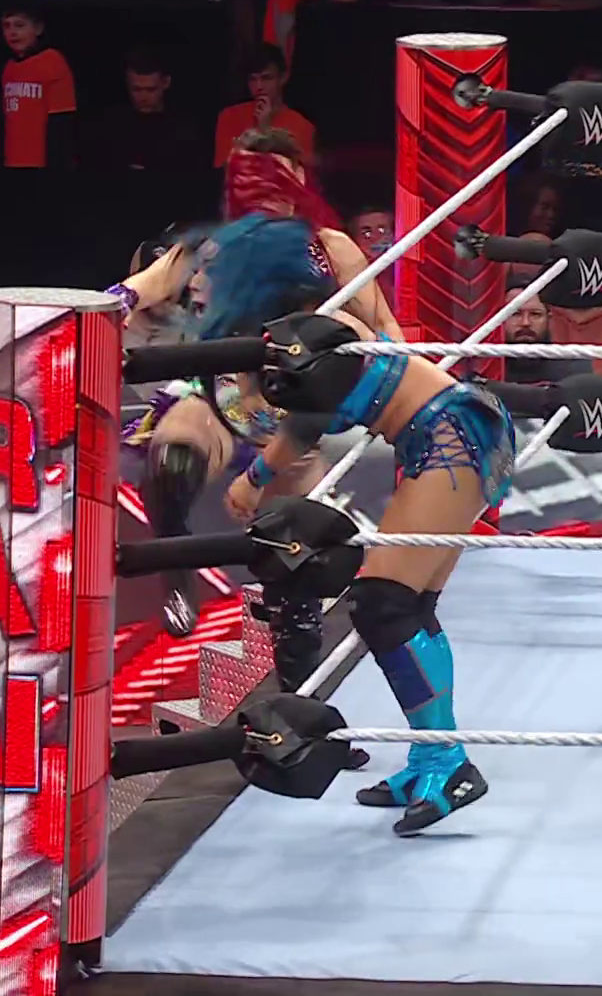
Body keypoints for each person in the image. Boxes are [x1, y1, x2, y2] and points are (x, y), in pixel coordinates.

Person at [199, 228, 517, 838]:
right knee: (410, 607)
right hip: (450, 432)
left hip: (451, 435)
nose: (202, 288)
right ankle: (432, 755)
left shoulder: (308, 334)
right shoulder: (303, 331)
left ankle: (447, 762)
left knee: (383, 604)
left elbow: (307, 424)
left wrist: (253, 480)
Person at [115, 128, 389, 683]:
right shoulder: (215, 244)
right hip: (220, 398)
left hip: (297, 419)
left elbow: (380, 323)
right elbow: (144, 283)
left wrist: (403, 391)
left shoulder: (329, 246)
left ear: (297, 179)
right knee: (173, 453)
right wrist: (106, 306)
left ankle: (296, 688)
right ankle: (177, 573)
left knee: (298, 568)